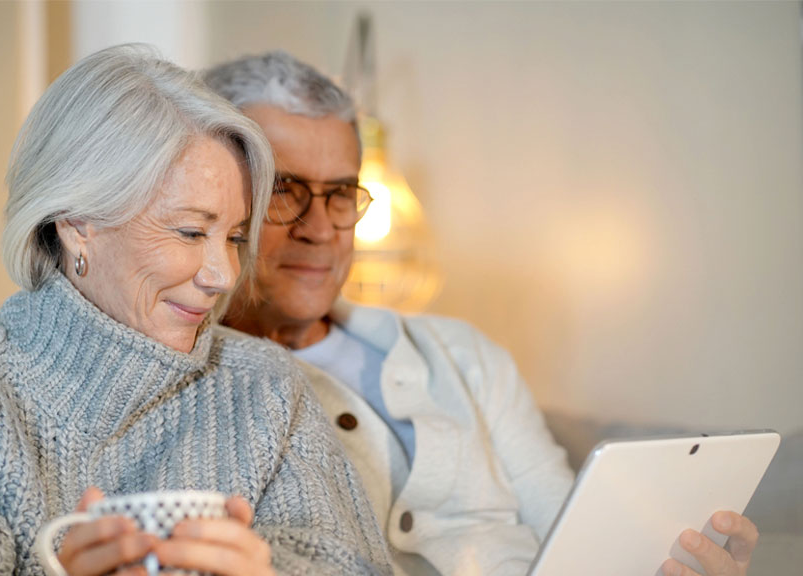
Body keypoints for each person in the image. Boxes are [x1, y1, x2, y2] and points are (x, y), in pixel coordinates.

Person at [0, 45, 391, 576]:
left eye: (236, 237)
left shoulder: (268, 389)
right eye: (191, 231)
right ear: (77, 224)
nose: (222, 275)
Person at [204, 51, 762, 576]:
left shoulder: (463, 354)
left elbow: (567, 533)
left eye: (342, 193)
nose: (321, 229)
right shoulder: (198, 385)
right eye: (284, 189)